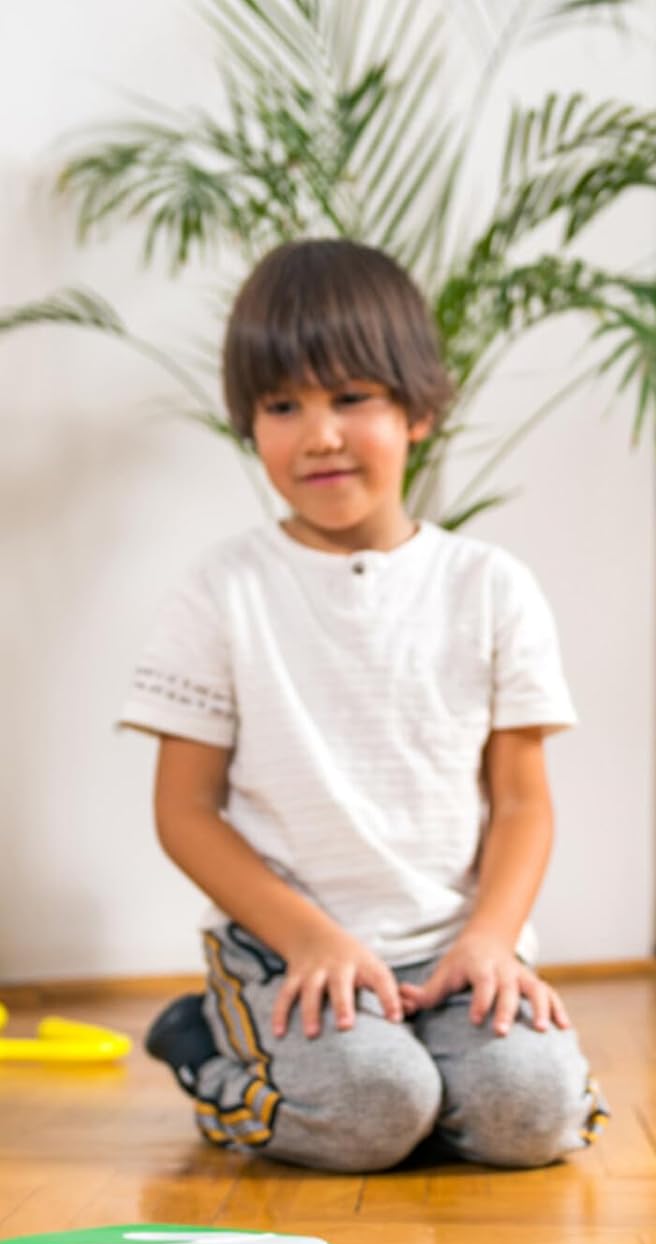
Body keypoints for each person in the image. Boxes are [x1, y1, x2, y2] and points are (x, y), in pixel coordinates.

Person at [121, 238, 608, 1174]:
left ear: (419, 408)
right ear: (249, 423)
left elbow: (521, 801)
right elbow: (184, 811)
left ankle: (420, 1080)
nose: (319, 436)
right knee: (371, 1109)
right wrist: (311, 939)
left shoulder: (491, 586)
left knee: (534, 1112)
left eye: (351, 398)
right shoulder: (222, 590)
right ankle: (209, 1049)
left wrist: (492, 941)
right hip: (285, 950)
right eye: (283, 406)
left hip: (454, 949)